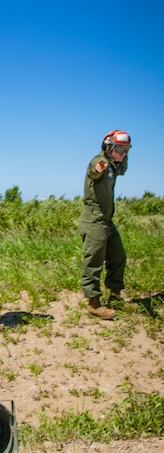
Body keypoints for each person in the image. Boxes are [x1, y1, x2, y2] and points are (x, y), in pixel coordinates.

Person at [78, 129, 132, 320]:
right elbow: (94, 171)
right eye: (119, 148)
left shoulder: (114, 165)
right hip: (94, 219)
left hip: (107, 220)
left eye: (126, 149)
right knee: (94, 261)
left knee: (118, 257)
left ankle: (115, 297)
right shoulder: (99, 161)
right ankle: (93, 303)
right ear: (108, 146)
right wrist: (99, 167)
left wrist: (121, 157)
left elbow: (122, 169)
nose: (122, 153)